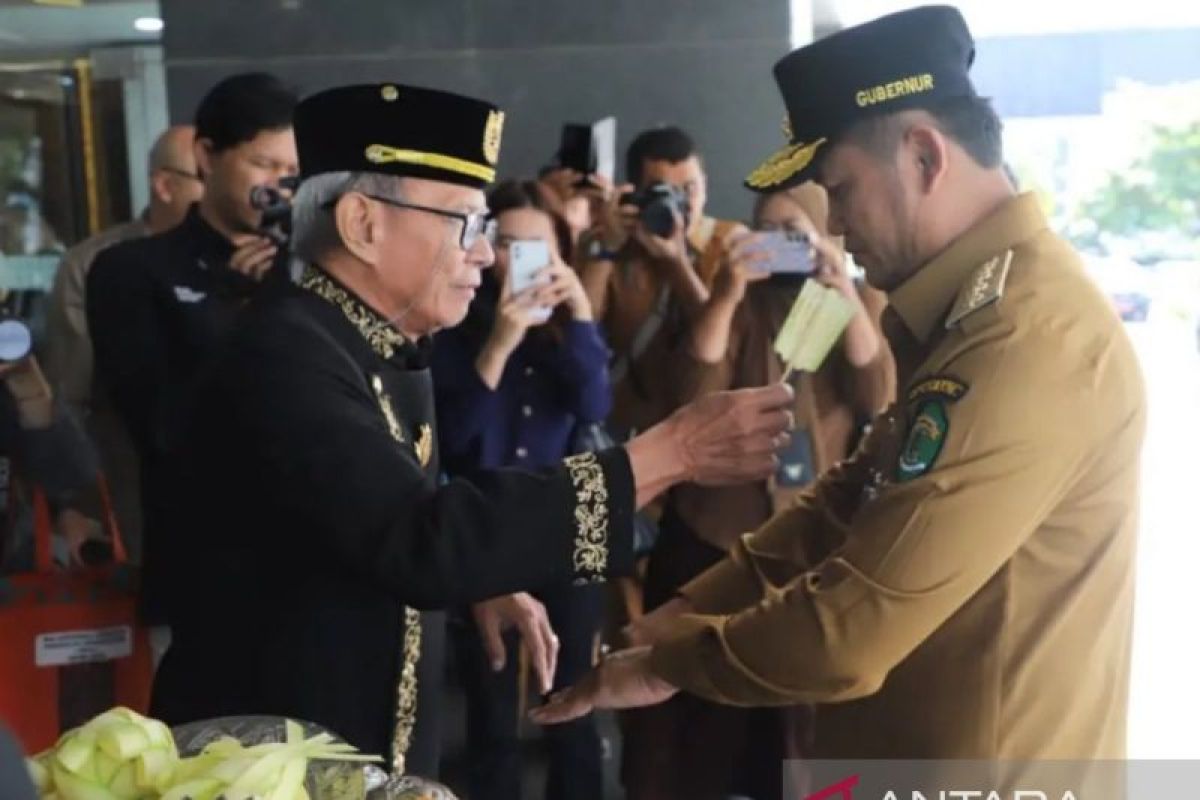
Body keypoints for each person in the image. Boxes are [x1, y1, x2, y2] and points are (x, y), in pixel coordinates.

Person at [534, 5, 1146, 767]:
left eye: (841, 190)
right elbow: (850, 495)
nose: (836, 226)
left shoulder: (1026, 336)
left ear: (924, 157)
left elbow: (850, 635)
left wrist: (670, 661)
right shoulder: (968, 312)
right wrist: (690, 609)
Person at [148, 83, 793, 777]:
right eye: (466, 223)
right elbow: (415, 538)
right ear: (364, 223)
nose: (485, 256)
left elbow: (367, 519)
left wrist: (479, 576)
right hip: (266, 771)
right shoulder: (285, 355)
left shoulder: (375, 341)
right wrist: (668, 454)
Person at [619, 181, 895, 799]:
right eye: (766, 230)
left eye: (793, 232)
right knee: (685, 736)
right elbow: (694, 389)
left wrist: (842, 288)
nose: (780, 245)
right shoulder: (735, 297)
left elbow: (876, 393)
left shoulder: (855, 298)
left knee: (789, 738)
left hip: (803, 547)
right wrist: (728, 289)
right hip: (711, 536)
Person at [86, 73, 298, 622]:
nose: (276, 187)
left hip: (310, 567)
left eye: (292, 173)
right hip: (203, 574)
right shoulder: (132, 269)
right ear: (206, 156)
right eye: (262, 164)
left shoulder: (307, 272)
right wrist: (236, 312)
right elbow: (160, 422)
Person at [432, 179, 610, 800]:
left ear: (561, 252)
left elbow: (594, 402)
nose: (518, 259)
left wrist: (581, 312)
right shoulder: (452, 324)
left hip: (566, 523)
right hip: (488, 523)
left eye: (539, 247)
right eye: (505, 243)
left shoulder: (567, 329)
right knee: (492, 704)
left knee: (575, 698)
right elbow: (456, 441)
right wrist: (501, 342)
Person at [42, 124, 203, 563]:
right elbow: (69, 396)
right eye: (203, 176)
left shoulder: (255, 258)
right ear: (164, 185)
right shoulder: (96, 264)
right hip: (135, 488)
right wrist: (74, 503)